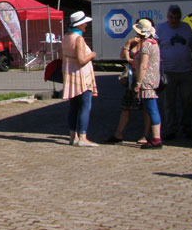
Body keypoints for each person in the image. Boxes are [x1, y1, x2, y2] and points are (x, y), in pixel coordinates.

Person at [104, 20, 155, 144]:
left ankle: (146, 134)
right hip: (133, 78)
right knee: (126, 107)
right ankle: (119, 133)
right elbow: (122, 55)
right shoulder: (134, 41)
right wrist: (129, 42)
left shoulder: (149, 43)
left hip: (145, 78)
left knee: (146, 108)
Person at [158, 4, 192, 140]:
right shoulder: (161, 28)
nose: (174, 21)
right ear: (168, 17)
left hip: (185, 71)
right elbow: (154, 46)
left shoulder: (186, 28)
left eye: (177, 18)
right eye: (172, 18)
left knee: (189, 100)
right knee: (169, 103)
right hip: (168, 71)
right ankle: (171, 129)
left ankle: (187, 127)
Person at [62, 11, 98, 147]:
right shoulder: (79, 39)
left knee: (73, 107)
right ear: (80, 24)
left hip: (70, 75)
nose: (86, 25)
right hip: (81, 77)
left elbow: (62, 56)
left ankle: (73, 136)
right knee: (85, 106)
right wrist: (92, 55)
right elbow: (82, 59)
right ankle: (83, 136)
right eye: (85, 23)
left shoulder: (66, 37)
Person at [129, 19, 163, 149]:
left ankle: (156, 138)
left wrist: (138, 82)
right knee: (151, 108)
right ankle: (155, 137)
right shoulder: (153, 42)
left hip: (147, 80)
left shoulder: (146, 45)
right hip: (152, 79)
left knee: (151, 108)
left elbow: (143, 65)